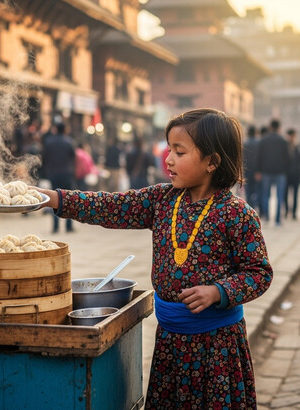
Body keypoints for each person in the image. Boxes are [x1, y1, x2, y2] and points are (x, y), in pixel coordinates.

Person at [34, 108, 273, 408]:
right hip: (171, 342)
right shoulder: (162, 200)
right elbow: (112, 206)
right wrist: (55, 199)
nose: (168, 159)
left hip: (217, 345)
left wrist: (218, 291)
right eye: (169, 149)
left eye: (179, 151)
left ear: (212, 161)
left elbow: (259, 273)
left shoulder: (236, 213)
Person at [41, 122, 75, 233]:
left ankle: (55, 226)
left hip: (53, 174)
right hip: (66, 173)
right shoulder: (69, 142)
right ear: (65, 129)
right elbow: (73, 158)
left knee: (54, 199)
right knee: (69, 199)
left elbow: (44, 158)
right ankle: (69, 226)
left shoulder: (49, 142)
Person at [255, 118, 289, 226]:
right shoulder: (283, 140)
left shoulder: (263, 140)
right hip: (280, 172)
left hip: (266, 171)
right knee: (280, 196)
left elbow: (259, 156)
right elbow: (287, 158)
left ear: (270, 127)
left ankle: (266, 217)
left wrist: (258, 171)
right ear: (279, 127)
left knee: (266, 195)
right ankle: (278, 220)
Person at [285, 128, 300, 220]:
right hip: (286, 175)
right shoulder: (285, 146)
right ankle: (287, 211)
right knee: (285, 194)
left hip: (296, 175)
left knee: (294, 195)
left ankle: (293, 212)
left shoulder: (297, 147)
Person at [243, 125, 259, 209]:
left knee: (248, 191)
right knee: (257, 190)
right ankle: (256, 207)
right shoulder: (259, 143)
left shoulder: (245, 143)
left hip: (247, 170)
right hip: (257, 171)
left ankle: (249, 208)